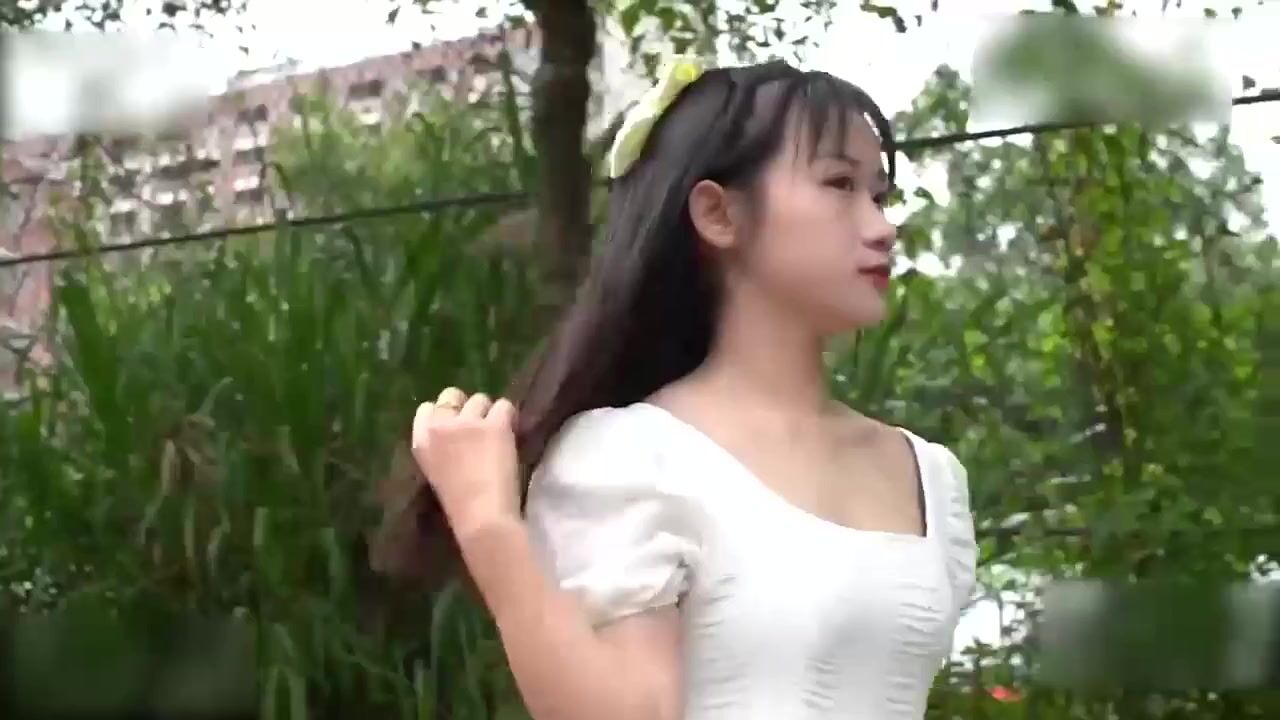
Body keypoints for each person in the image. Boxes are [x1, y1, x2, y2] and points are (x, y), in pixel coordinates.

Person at [410, 56, 977, 720]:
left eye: (878, 196)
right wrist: (487, 524)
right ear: (717, 213)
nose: (881, 228)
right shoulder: (632, 456)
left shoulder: (930, 475)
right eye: (839, 184)